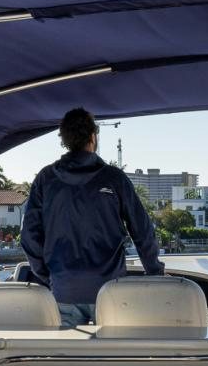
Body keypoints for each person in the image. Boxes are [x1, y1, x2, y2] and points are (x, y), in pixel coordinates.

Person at [20, 107, 164, 325]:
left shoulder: (46, 179)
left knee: (68, 348)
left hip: (63, 289)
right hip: (109, 290)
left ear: (64, 140)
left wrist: (50, 276)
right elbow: (142, 230)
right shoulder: (114, 178)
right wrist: (155, 272)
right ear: (93, 137)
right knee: (109, 347)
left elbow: (29, 236)